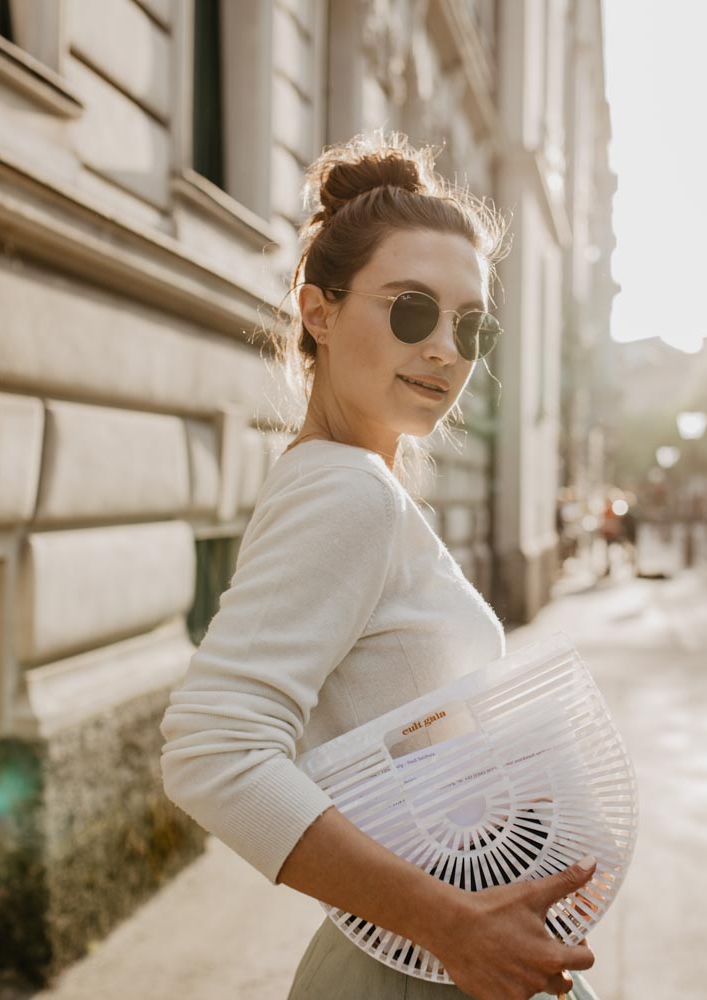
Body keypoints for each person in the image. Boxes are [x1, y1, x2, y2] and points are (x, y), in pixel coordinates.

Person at [159, 133, 599, 1000]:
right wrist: (446, 922)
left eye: (471, 324)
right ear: (318, 312)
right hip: (422, 971)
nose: (446, 348)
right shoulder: (347, 494)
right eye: (409, 310)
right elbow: (212, 750)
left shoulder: (354, 482)